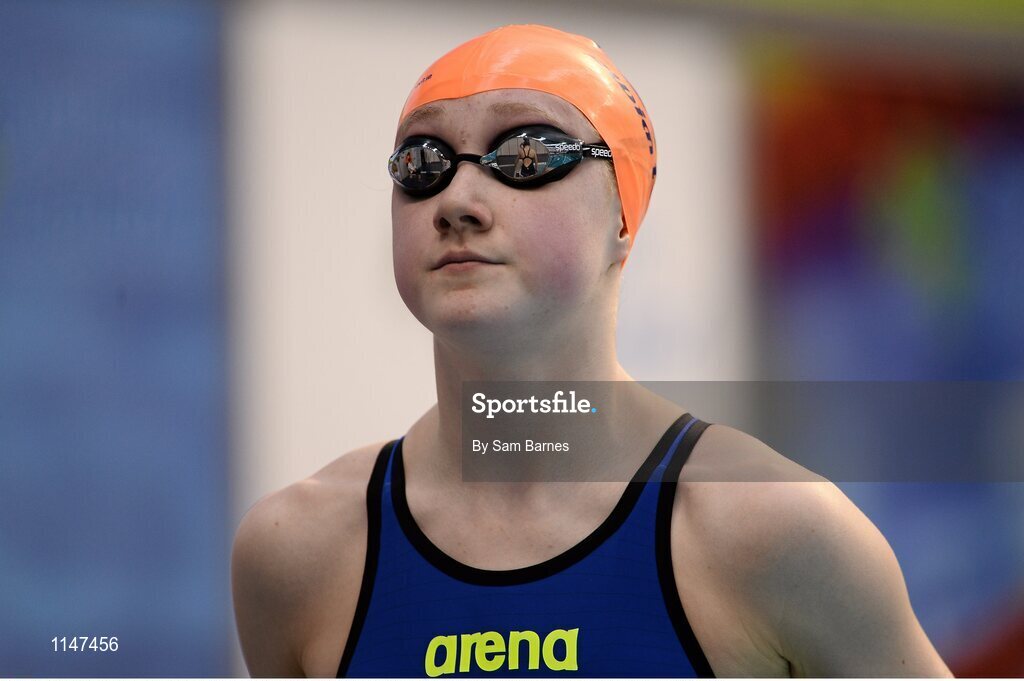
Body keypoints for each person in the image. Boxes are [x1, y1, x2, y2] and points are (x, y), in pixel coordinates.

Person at [231, 24, 952, 678]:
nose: (457, 198)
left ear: (622, 217)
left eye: (528, 153)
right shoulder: (301, 553)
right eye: (424, 162)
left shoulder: (776, 533)